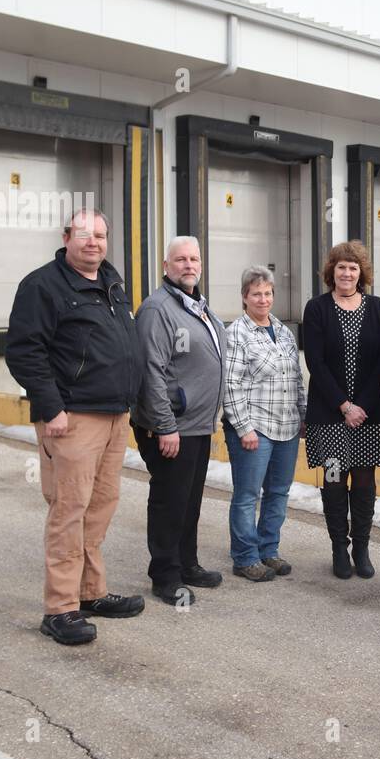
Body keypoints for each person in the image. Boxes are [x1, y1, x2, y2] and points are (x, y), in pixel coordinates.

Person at [5, 207, 145, 646]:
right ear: (67, 236)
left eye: (101, 236)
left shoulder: (112, 283)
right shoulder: (42, 285)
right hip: (73, 418)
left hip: (114, 414)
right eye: (84, 234)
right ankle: (60, 609)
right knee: (69, 511)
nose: (93, 243)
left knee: (100, 506)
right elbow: (24, 352)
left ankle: (90, 592)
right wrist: (52, 408)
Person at [132, 236, 228, 606]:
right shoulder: (158, 309)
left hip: (198, 426)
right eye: (181, 260)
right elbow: (150, 371)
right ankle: (165, 575)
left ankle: (188, 563)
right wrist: (166, 425)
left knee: (189, 501)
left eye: (194, 259)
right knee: (169, 501)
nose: (189, 265)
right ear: (166, 266)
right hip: (173, 427)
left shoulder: (197, 307)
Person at [302, 241, 380, 579]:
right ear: (332, 271)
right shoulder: (317, 308)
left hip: (368, 415)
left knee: (365, 479)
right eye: (341, 266)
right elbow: (315, 361)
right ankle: (339, 547)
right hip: (330, 413)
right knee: (336, 478)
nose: (347, 272)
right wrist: (343, 405)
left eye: (353, 267)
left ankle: (362, 548)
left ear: (361, 273)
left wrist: (361, 407)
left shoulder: (379, 308)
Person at [222, 266, 305, 583]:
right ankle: (244, 557)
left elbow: (297, 378)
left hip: (286, 427)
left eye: (268, 293)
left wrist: (303, 415)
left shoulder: (284, 332)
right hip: (254, 428)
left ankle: (268, 550)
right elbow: (231, 386)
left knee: (278, 493)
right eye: (256, 293)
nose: (263, 298)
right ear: (244, 297)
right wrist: (244, 428)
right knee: (246, 495)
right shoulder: (236, 334)